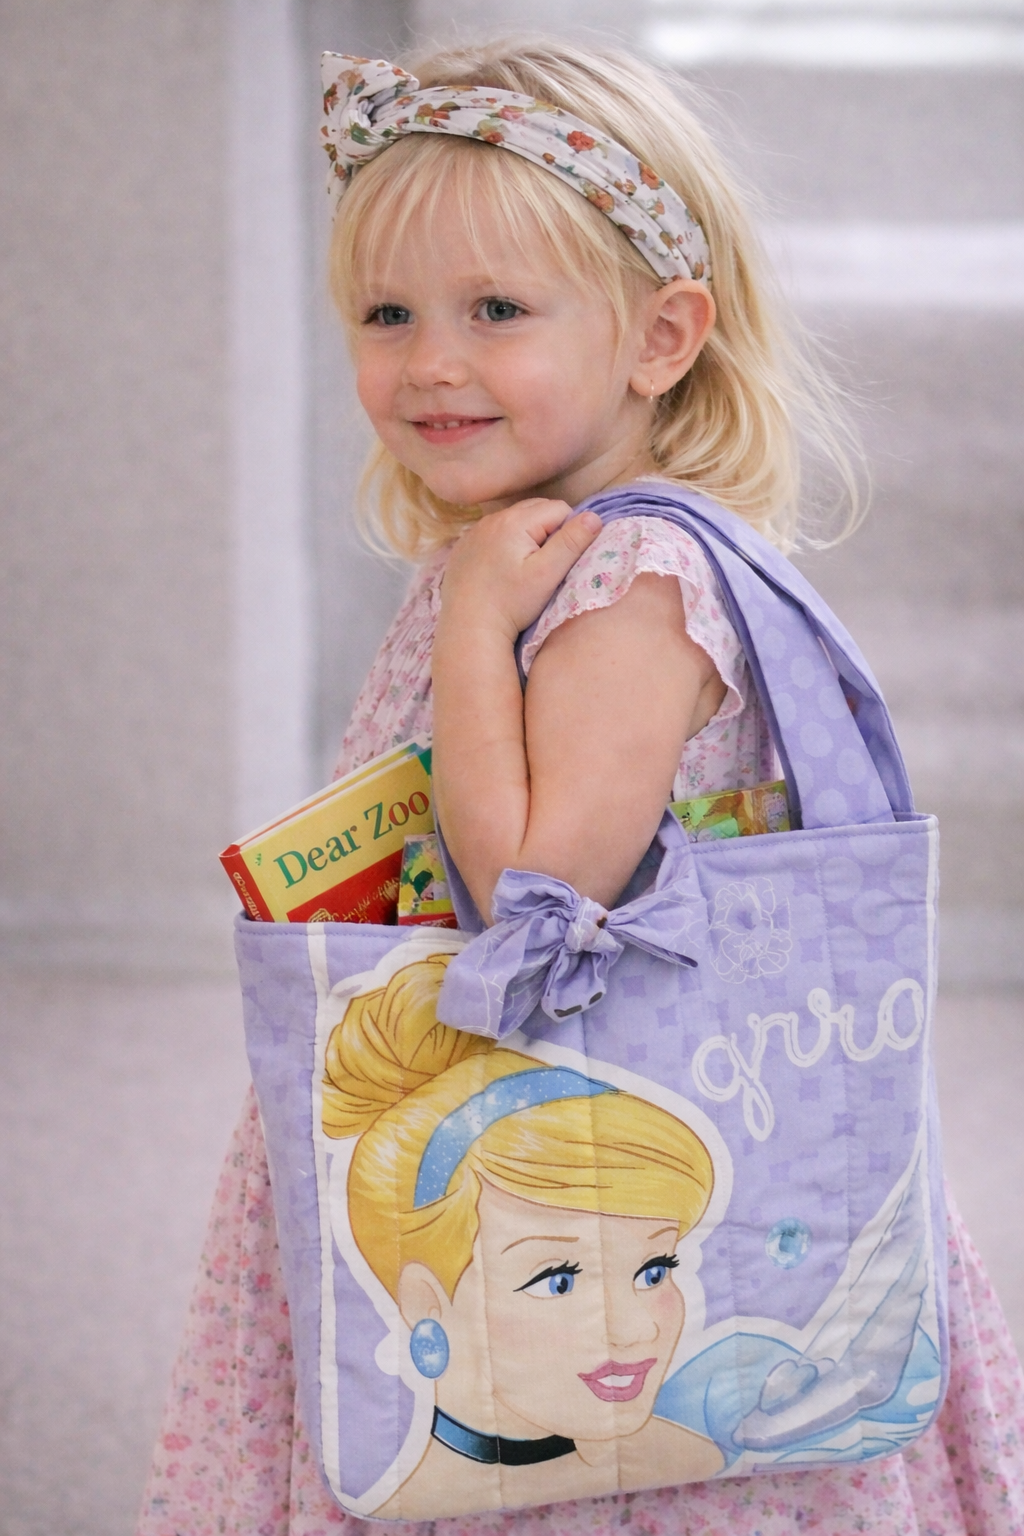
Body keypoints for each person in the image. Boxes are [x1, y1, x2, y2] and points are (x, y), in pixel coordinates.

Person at [137, 35, 1024, 1536]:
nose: (429, 360)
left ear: (660, 336)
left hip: (562, 1156)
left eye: (496, 310)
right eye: (387, 312)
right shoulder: (533, 543)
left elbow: (528, 900)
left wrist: (475, 627)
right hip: (494, 1127)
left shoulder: (630, 582)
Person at [320, 951, 721, 1518]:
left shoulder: (695, 1455)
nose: (638, 1330)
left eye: (654, 1270)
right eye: (558, 1281)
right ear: (427, 1301)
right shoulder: (391, 1499)